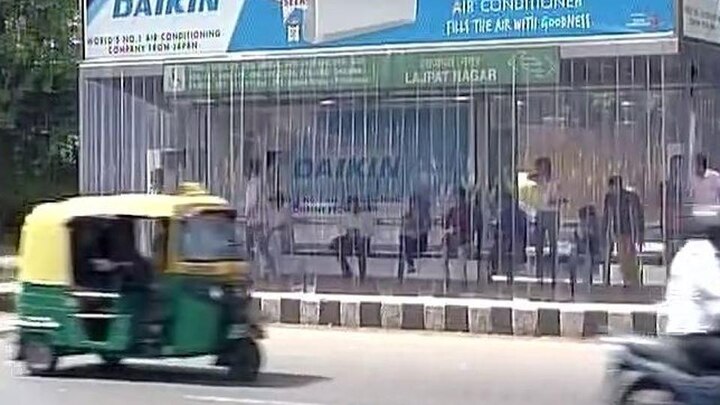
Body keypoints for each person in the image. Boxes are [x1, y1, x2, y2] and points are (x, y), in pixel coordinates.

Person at [663, 204, 720, 371]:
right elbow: (715, 296)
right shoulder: (701, 257)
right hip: (692, 336)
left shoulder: (689, 251)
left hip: (694, 333)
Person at [602, 175, 644, 287]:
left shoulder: (630, 197)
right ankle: (628, 279)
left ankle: (632, 280)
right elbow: (607, 215)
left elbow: (637, 215)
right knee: (624, 257)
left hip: (628, 231)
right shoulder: (610, 198)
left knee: (629, 255)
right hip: (620, 231)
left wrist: (639, 234)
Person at [528, 157, 563, 282]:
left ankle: (554, 273)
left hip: (552, 213)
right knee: (539, 245)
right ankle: (539, 274)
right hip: (540, 212)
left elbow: (557, 198)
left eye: (541, 168)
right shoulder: (539, 181)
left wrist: (553, 199)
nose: (540, 170)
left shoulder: (555, 182)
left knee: (553, 244)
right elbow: (529, 177)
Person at [244, 159, 276, 279]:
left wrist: (247, 215)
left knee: (254, 248)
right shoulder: (262, 184)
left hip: (254, 221)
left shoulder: (254, 184)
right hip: (260, 220)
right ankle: (266, 272)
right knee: (262, 248)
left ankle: (258, 273)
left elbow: (252, 202)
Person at [330, 197, 375, 280]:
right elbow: (340, 229)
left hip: (362, 241)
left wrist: (360, 233)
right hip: (350, 241)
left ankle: (362, 273)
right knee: (338, 245)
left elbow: (370, 232)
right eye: (352, 205)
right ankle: (346, 270)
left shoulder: (365, 216)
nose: (354, 207)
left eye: (356, 204)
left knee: (361, 246)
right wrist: (348, 232)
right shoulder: (347, 216)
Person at [397, 194, 431, 280]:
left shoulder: (422, 214)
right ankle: (407, 267)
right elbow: (403, 225)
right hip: (408, 236)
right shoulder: (409, 213)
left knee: (405, 245)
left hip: (417, 239)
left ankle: (409, 265)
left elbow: (425, 228)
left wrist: (416, 231)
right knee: (403, 244)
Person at [443, 187, 472, 284]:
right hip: (452, 239)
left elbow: (468, 227)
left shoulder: (468, 211)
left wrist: (455, 230)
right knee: (445, 252)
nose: (456, 200)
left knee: (461, 253)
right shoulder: (452, 211)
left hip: (463, 240)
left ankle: (463, 279)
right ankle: (447, 278)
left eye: (458, 197)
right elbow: (445, 224)